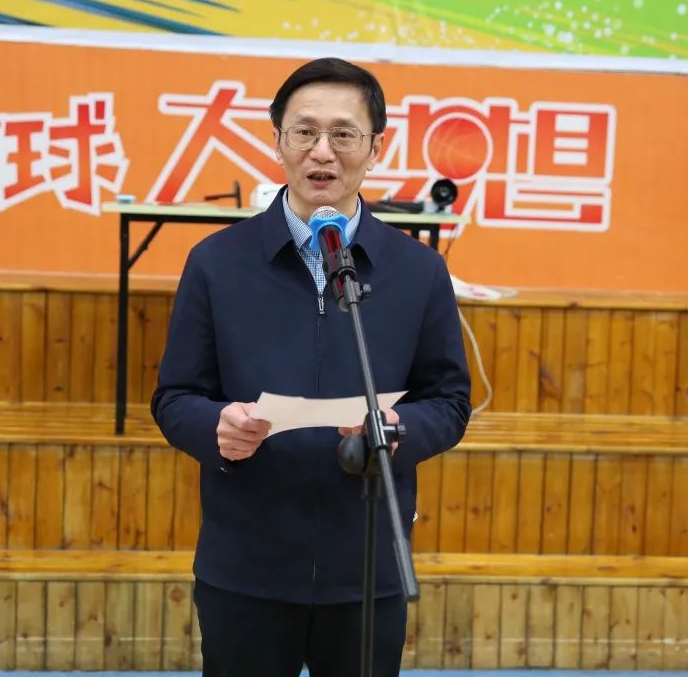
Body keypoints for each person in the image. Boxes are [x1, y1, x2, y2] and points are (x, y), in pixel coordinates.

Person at [151, 57, 471, 677]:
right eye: (304, 132)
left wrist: (399, 429)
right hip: (247, 563)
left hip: (366, 566)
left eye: (344, 134)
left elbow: (449, 402)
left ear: (376, 148)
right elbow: (175, 396)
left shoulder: (418, 271)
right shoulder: (217, 262)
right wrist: (216, 427)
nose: (322, 151)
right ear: (277, 140)